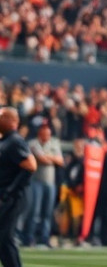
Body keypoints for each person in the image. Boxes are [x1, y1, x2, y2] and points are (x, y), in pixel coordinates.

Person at [0, 107, 37, 267]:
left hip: (12, 197)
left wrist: (8, 192)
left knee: (5, 237)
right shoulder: (5, 141)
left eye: (1, 117)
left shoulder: (15, 141)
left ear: (12, 121)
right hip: (6, 195)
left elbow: (31, 165)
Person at [24, 122, 63, 248]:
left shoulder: (54, 143)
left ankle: (44, 238)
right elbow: (42, 159)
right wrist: (52, 158)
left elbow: (60, 161)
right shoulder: (33, 143)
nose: (46, 136)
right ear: (40, 133)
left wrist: (49, 158)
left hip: (50, 183)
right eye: (44, 133)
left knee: (47, 212)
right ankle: (29, 237)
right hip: (37, 182)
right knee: (34, 211)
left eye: (48, 134)